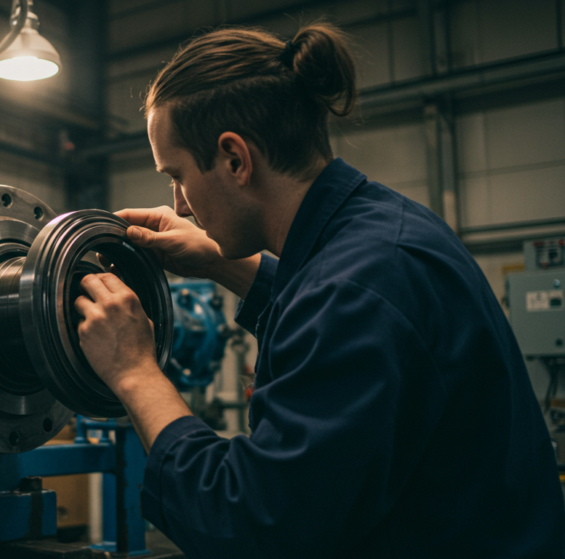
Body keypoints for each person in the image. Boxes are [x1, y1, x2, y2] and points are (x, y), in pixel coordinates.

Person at [73, 22, 565, 558]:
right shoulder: (381, 232)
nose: (181, 203)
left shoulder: (358, 288)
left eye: (179, 175)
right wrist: (225, 265)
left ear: (235, 159)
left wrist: (135, 371)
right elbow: (329, 298)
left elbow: (253, 524)